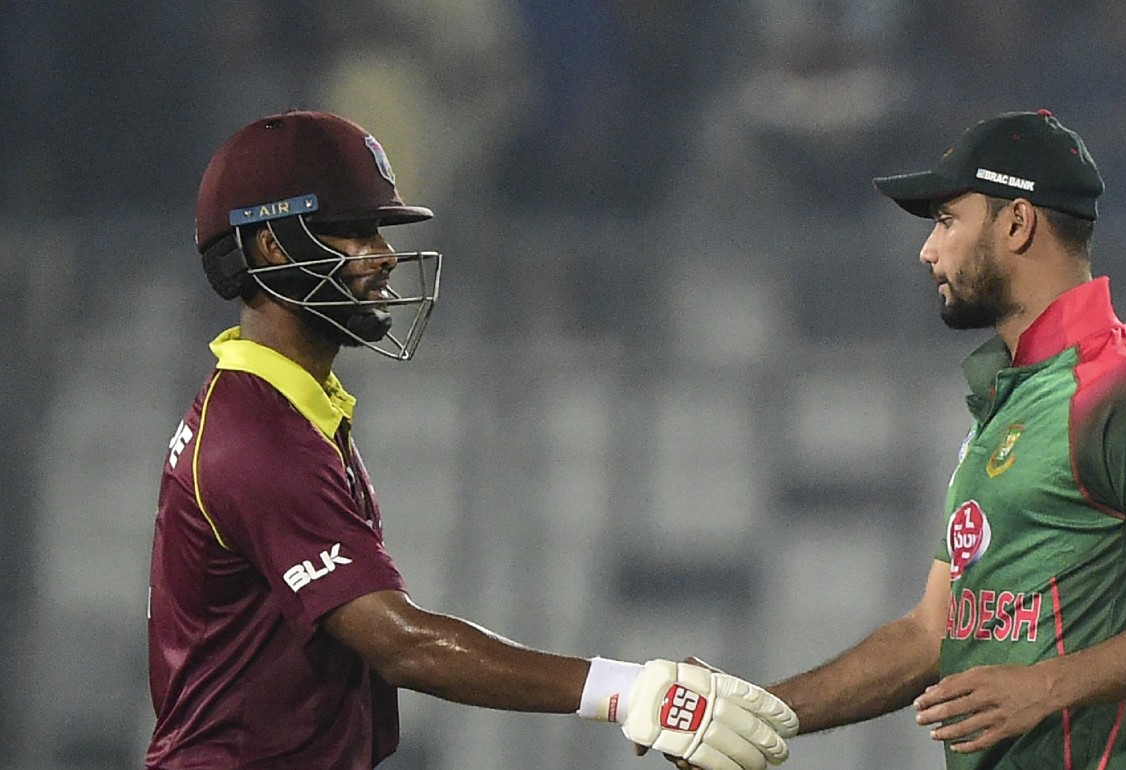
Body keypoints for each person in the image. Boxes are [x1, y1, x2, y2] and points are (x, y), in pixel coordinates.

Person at [145, 109, 798, 770]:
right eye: (352, 230)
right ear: (272, 248)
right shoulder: (259, 438)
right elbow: (404, 645)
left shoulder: (277, 410)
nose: (384, 255)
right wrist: (630, 693)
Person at [760, 110, 1126, 768]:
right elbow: (929, 635)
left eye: (947, 220)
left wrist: (1047, 687)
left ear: (1017, 223)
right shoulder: (1012, 397)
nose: (927, 251)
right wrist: (754, 711)